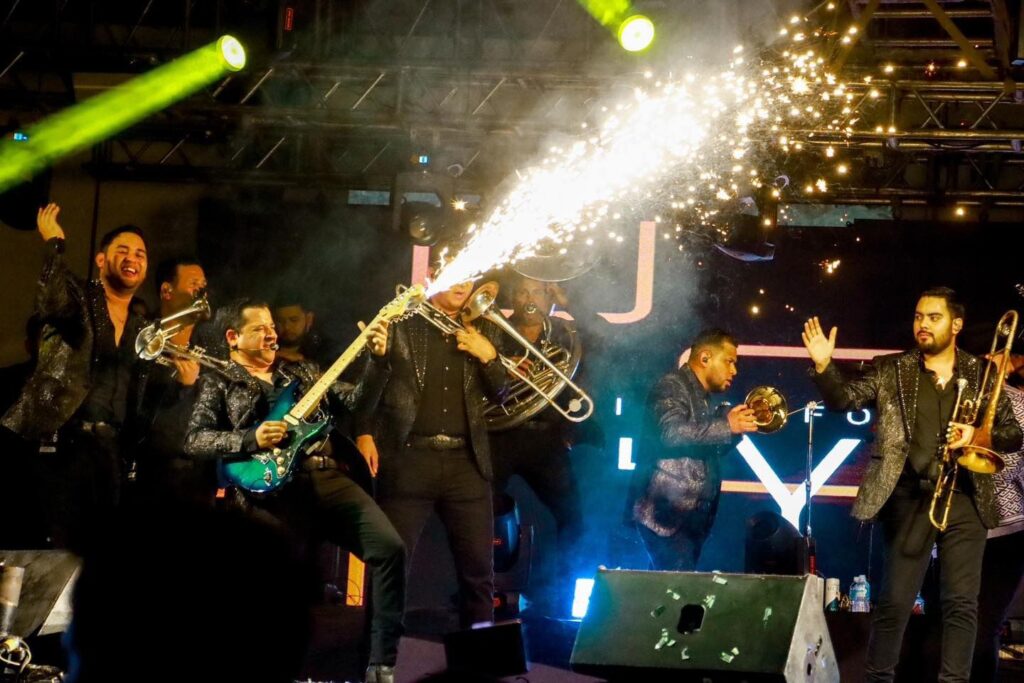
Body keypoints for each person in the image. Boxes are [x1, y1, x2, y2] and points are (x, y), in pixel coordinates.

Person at [802, 287, 1023, 682]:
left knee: (961, 605)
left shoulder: (982, 373)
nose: (922, 324)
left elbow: (1011, 434)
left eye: (933, 317)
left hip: (966, 498)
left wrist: (976, 433)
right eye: (919, 317)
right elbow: (845, 399)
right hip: (907, 498)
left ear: (956, 324)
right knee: (894, 602)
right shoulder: (891, 368)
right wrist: (824, 367)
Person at [183, 299, 404, 683]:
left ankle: (381, 665)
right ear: (233, 337)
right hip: (269, 496)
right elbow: (195, 440)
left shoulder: (300, 370)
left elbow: (355, 401)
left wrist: (377, 362)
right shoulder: (219, 380)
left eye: (272, 326)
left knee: (389, 548)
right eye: (259, 328)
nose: (271, 333)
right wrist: (250, 437)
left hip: (325, 477)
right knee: (273, 592)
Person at [354, 274, 509, 641]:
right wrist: (363, 432)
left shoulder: (484, 329)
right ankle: (381, 659)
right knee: (391, 568)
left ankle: (480, 664)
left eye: (471, 280)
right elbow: (367, 388)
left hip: (466, 463)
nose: (464, 286)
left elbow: (502, 394)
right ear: (436, 277)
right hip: (410, 458)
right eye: (458, 277)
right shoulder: (403, 322)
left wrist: (489, 357)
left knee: (478, 574)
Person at [1, 202, 158, 552]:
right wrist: (55, 245)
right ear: (101, 260)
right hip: (63, 443)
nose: (133, 258)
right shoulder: (79, 297)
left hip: (111, 451)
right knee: (52, 546)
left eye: (141, 254)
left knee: (102, 550)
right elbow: (50, 298)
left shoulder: (142, 328)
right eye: (123, 250)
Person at [489, 275, 587, 610]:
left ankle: (559, 597)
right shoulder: (495, 328)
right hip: (500, 434)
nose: (529, 299)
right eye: (522, 291)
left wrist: (573, 305)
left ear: (550, 298)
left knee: (574, 518)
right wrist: (503, 371)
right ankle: (481, 592)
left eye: (538, 292)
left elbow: (607, 338)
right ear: (512, 297)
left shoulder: (564, 333)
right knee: (475, 514)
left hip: (547, 436)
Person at [629, 328, 758, 571]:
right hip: (665, 514)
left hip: (686, 518)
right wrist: (726, 426)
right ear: (705, 358)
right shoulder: (672, 385)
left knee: (666, 596)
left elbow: (702, 450)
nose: (734, 371)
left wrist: (734, 430)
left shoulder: (703, 397)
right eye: (729, 361)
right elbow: (671, 433)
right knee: (673, 594)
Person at [131, 257, 210, 506]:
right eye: (194, 284)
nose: (202, 291)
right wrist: (181, 387)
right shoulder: (141, 340)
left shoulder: (209, 346)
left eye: (204, 284)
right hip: (154, 476)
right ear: (167, 291)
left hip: (200, 477)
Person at [972, 351, 1024, 682]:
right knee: (956, 624)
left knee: (982, 627)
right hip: (958, 529)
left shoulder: (1019, 405)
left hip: (1005, 534)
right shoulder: (960, 398)